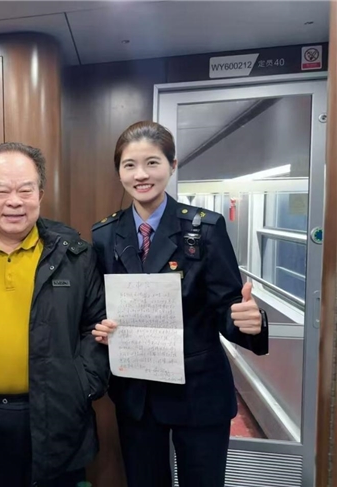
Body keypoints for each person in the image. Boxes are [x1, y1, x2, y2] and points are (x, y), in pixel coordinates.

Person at [91, 121, 268, 487]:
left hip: (198, 391)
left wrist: (249, 321)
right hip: (138, 394)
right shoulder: (105, 234)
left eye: (152, 163)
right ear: (119, 172)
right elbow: (100, 306)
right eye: (129, 165)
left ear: (172, 165)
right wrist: (102, 327)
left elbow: (228, 306)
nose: (141, 175)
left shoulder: (205, 229)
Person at [0, 142, 109, 487]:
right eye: (1, 190)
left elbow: (96, 327)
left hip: (60, 416)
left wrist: (80, 388)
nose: (15, 201)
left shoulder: (75, 255)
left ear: (40, 195)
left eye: (26, 190)